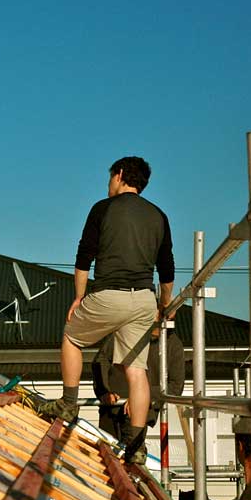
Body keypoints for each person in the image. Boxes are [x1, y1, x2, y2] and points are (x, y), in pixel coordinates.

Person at [35, 156, 174, 464]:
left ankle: (68, 404)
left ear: (120, 175)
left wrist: (79, 297)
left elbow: (84, 256)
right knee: (136, 370)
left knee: (72, 337)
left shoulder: (103, 208)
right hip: (143, 301)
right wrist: (164, 306)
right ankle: (136, 445)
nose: (108, 183)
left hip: (110, 293)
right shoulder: (158, 215)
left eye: (110, 177)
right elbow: (166, 268)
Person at [91, 324, 185, 446]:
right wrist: (103, 391)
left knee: (130, 457)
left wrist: (140, 398)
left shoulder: (173, 345)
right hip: (110, 409)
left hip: (137, 415)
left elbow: (175, 387)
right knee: (105, 457)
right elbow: (100, 359)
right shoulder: (127, 331)